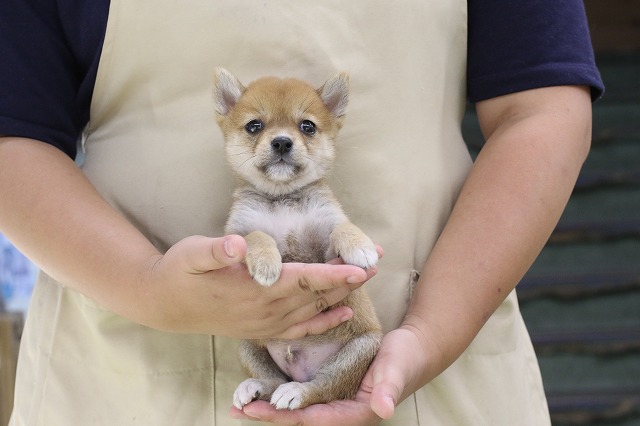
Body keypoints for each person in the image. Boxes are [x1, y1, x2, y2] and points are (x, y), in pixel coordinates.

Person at [0, 1, 603, 425]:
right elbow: (12, 136)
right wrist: (144, 286)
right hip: (122, 378)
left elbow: (541, 111)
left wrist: (429, 334)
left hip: (427, 375)